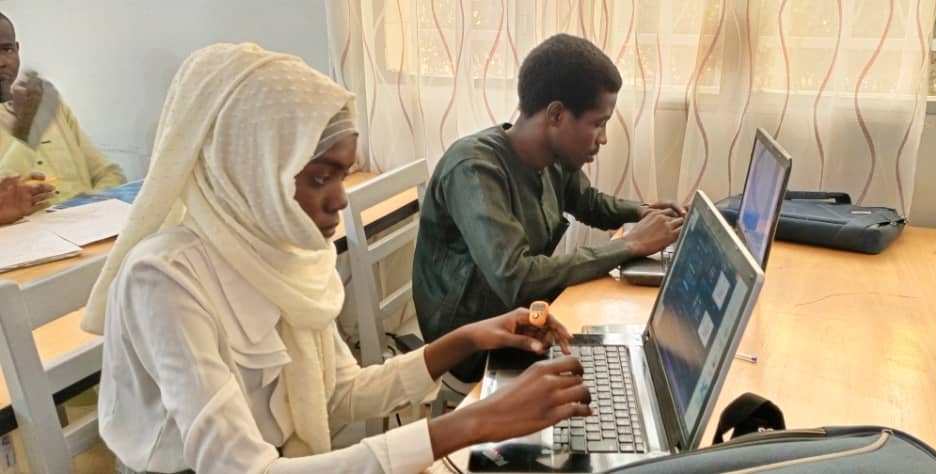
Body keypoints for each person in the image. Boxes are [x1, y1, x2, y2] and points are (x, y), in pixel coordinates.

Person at [82, 43, 590, 474]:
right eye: (319, 177)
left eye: (342, 175)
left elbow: (338, 393)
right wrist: (473, 422)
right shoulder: (165, 279)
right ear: (253, 167)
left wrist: (466, 339)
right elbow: (241, 468)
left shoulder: (287, 252)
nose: (340, 199)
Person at [413, 33, 684, 383]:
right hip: (469, 341)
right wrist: (630, 245)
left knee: (626, 342)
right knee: (613, 368)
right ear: (556, 115)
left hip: (525, 312)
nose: (603, 138)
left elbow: (589, 202)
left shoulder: (552, 159)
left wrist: (644, 213)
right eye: (598, 123)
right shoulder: (474, 169)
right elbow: (518, 279)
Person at [0, 12, 125, 206]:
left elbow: (110, 173)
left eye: (7, 49)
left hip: (91, 219)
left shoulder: (52, 107)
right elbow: (4, 201)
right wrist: (26, 130)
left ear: (17, 49)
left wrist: (90, 209)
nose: (2, 62)